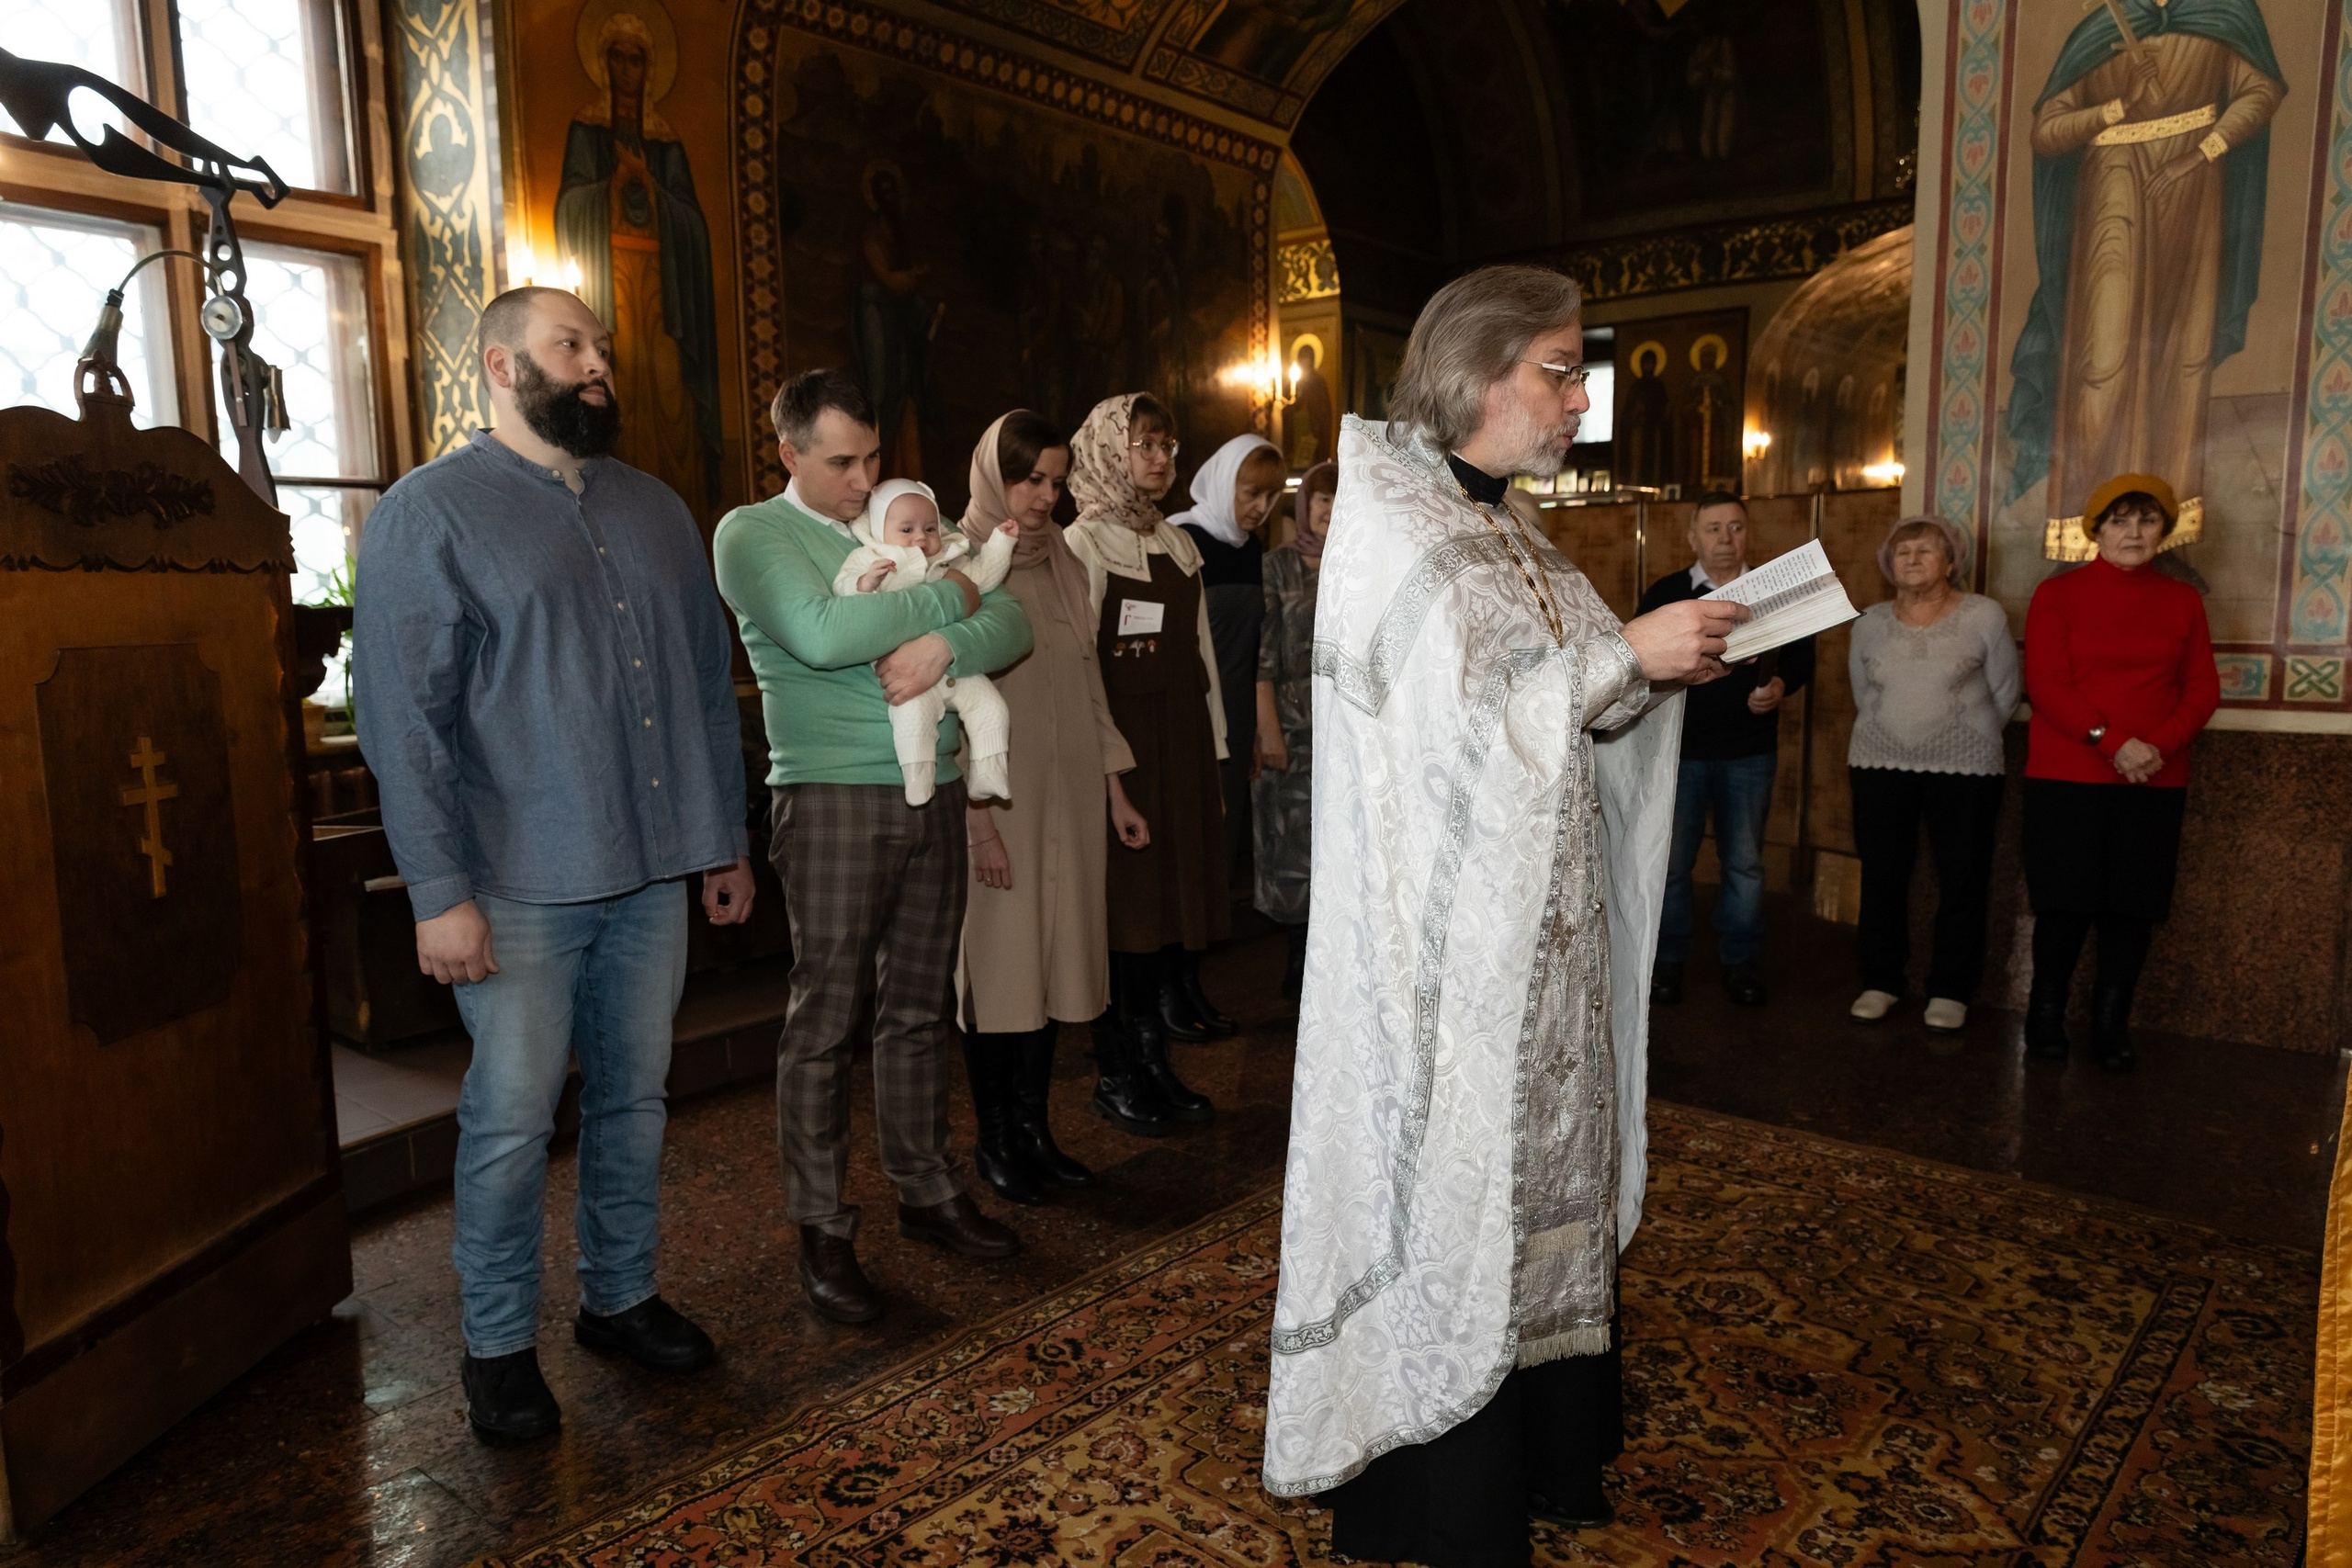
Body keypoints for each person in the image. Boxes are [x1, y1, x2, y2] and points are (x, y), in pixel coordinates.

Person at [1264, 264, 1744, 1566]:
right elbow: (1443, 740)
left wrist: (1656, 664)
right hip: (1449, 953)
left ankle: (1544, 1446)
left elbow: (1569, 692)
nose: (1579, 395)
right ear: (1478, 376)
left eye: (1577, 369)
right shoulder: (1400, 530)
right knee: (1459, 1181)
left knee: (1547, 1165)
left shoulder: (1512, 527)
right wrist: (1617, 661)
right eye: (1559, 369)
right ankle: (1437, 1484)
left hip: (1543, 934)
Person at [355, 287, 755, 1443]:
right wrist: (440, 896)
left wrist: (719, 839)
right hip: (519, 883)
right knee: (513, 1120)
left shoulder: (657, 509)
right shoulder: (429, 516)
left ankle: (620, 1297)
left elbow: (698, 685)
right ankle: (495, 1346)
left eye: (604, 351)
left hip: (650, 872)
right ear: (497, 366)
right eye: (569, 346)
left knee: (635, 1098)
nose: (598, 367)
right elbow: (404, 722)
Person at [712, 368, 1034, 1326]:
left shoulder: (901, 514)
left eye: (872, 459)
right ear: (790, 453)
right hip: (831, 791)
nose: (864, 481)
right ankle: (822, 1226)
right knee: (826, 1020)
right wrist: (951, 606)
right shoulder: (753, 533)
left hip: (929, 788)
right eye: (841, 462)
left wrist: (947, 647)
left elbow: (1009, 613)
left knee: (919, 1007)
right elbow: (819, 634)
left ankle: (926, 1190)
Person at [955, 411, 1156, 1202]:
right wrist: (976, 823)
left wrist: (1114, 788)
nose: (1043, 495)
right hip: (1001, 798)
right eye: (1028, 478)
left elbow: (1087, 683)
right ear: (991, 474)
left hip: (1070, 790)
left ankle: (1036, 1129)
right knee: (1000, 969)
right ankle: (995, 1137)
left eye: (1055, 479)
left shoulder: (1067, 561)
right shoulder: (959, 562)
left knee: (1054, 963)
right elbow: (949, 702)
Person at [1063, 392, 1224, 1130]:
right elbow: (1081, 667)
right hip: (1124, 753)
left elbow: (1203, 659)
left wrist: (1216, 754)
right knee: (1125, 914)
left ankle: (1156, 1059)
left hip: (1181, 744)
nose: (1161, 459)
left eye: (1168, 445)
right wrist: (1107, 770)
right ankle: (1118, 1069)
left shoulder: (1177, 541)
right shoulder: (1084, 544)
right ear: (1108, 453)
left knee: (1165, 913)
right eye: (1146, 445)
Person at [2020, 474, 2219, 1070]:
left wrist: (2152, 746)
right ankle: (2045, 1015)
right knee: (2064, 901)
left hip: (2154, 777)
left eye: (2146, 519)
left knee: (2132, 906)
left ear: (2163, 529)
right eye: (2120, 519)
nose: (2133, 531)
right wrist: (2112, 740)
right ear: (2097, 529)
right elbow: (2047, 684)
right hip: (2067, 773)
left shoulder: (2183, 600)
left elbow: (2202, 688)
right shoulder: (2056, 595)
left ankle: (2112, 1022)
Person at [1845, 515, 2020, 1032]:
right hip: (1878, 761)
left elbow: (2007, 692)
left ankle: (1951, 988)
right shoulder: (1869, 621)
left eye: (1926, 550)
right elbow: (1862, 691)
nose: (1913, 558)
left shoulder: (1984, 616)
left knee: (1963, 878)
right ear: (1888, 564)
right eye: (1903, 551)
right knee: (1881, 874)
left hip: (1966, 767)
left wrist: (1959, 733)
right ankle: (1880, 980)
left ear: (1951, 562)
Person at [1639, 492, 1815, 1007]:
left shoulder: (1772, 593)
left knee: (1744, 863)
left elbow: (1802, 655)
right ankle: (1667, 962)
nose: (1725, 539)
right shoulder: (1668, 593)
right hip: (1682, 750)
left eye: (1735, 527)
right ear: (1693, 537)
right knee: (1671, 863)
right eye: (1713, 528)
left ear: (1748, 534)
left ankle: (1741, 961)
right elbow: (1640, 660)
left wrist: (1782, 683)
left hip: (1749, 751)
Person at [1169, 431, 1283, 1039]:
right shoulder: (1182, 538)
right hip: (1193, 715)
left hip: (1237, 715)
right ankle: (1171, 988)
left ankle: (1192, 982)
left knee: (1219, 856)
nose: (1260, 506)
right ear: (1222, 482)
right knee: (1189, 854)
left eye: (1270, 495)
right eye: (1250, 492)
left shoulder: (1252, 547)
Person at [831, 478, 1018, 805]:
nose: (921, 537)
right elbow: (844, 593)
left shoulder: (948, 562)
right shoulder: (869, 558)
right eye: (907, 530)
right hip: (905, 676)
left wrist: (1001, 542)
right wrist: (868, 581)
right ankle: (918, 782)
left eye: (930, 529)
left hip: (954, 669)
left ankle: (989, 774)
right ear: (879, 530)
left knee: (991, 707)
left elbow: (983, 578)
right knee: (911, 718)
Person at [1253, 458, 1333, 1001]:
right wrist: (1269, 730)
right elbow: (1261, 659)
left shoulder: (1359, 564)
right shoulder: (1278, 566)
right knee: (1294, 844)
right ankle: (1298, 961)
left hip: (1347, 729)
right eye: (1322, 499)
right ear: (1305, 506)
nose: (1330, 510)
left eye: (1340, 499)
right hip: (1294, 724)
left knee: (1340, 844)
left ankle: (1330, 962)